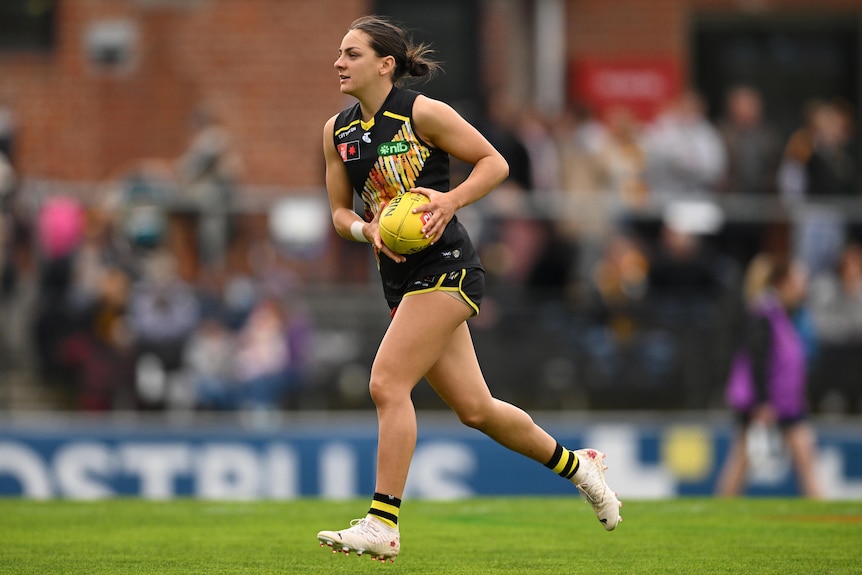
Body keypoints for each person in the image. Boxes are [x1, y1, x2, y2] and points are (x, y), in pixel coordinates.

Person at [316, 15, 622, 562]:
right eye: (339, 54)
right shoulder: (336, 132)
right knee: (477, 410)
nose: (338, 63)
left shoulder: (421, 112)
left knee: (387, 382)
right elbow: (339, 211)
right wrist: (365, 229)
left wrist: (450, 201)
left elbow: (494, 163)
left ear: (385, 65)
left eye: (351, 54)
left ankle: (383, 521)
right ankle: (582, 466)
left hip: (449, 265)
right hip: (400, 278)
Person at [716, 255, 823, 498]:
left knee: (800, 453)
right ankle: (722, 505)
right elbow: (757, 360)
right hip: (766, 400)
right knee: (743, 457)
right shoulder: (764, 313)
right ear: (783, 283)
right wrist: (763, 402)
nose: (802, 287)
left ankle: (819, 503)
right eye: (797, 280)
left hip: (783, 399)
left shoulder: (785, 314)